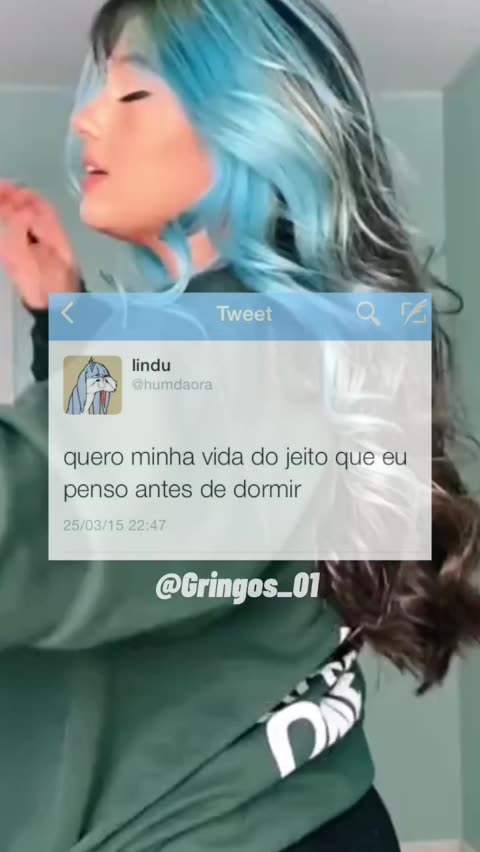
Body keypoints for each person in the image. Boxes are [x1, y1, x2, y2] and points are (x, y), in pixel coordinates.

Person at [0, 1, 479, 850]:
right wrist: (61, 320)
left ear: (252, 128)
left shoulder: (235, 352)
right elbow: (122, 505)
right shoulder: (271, 343)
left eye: (132, 95)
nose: (85, 120)